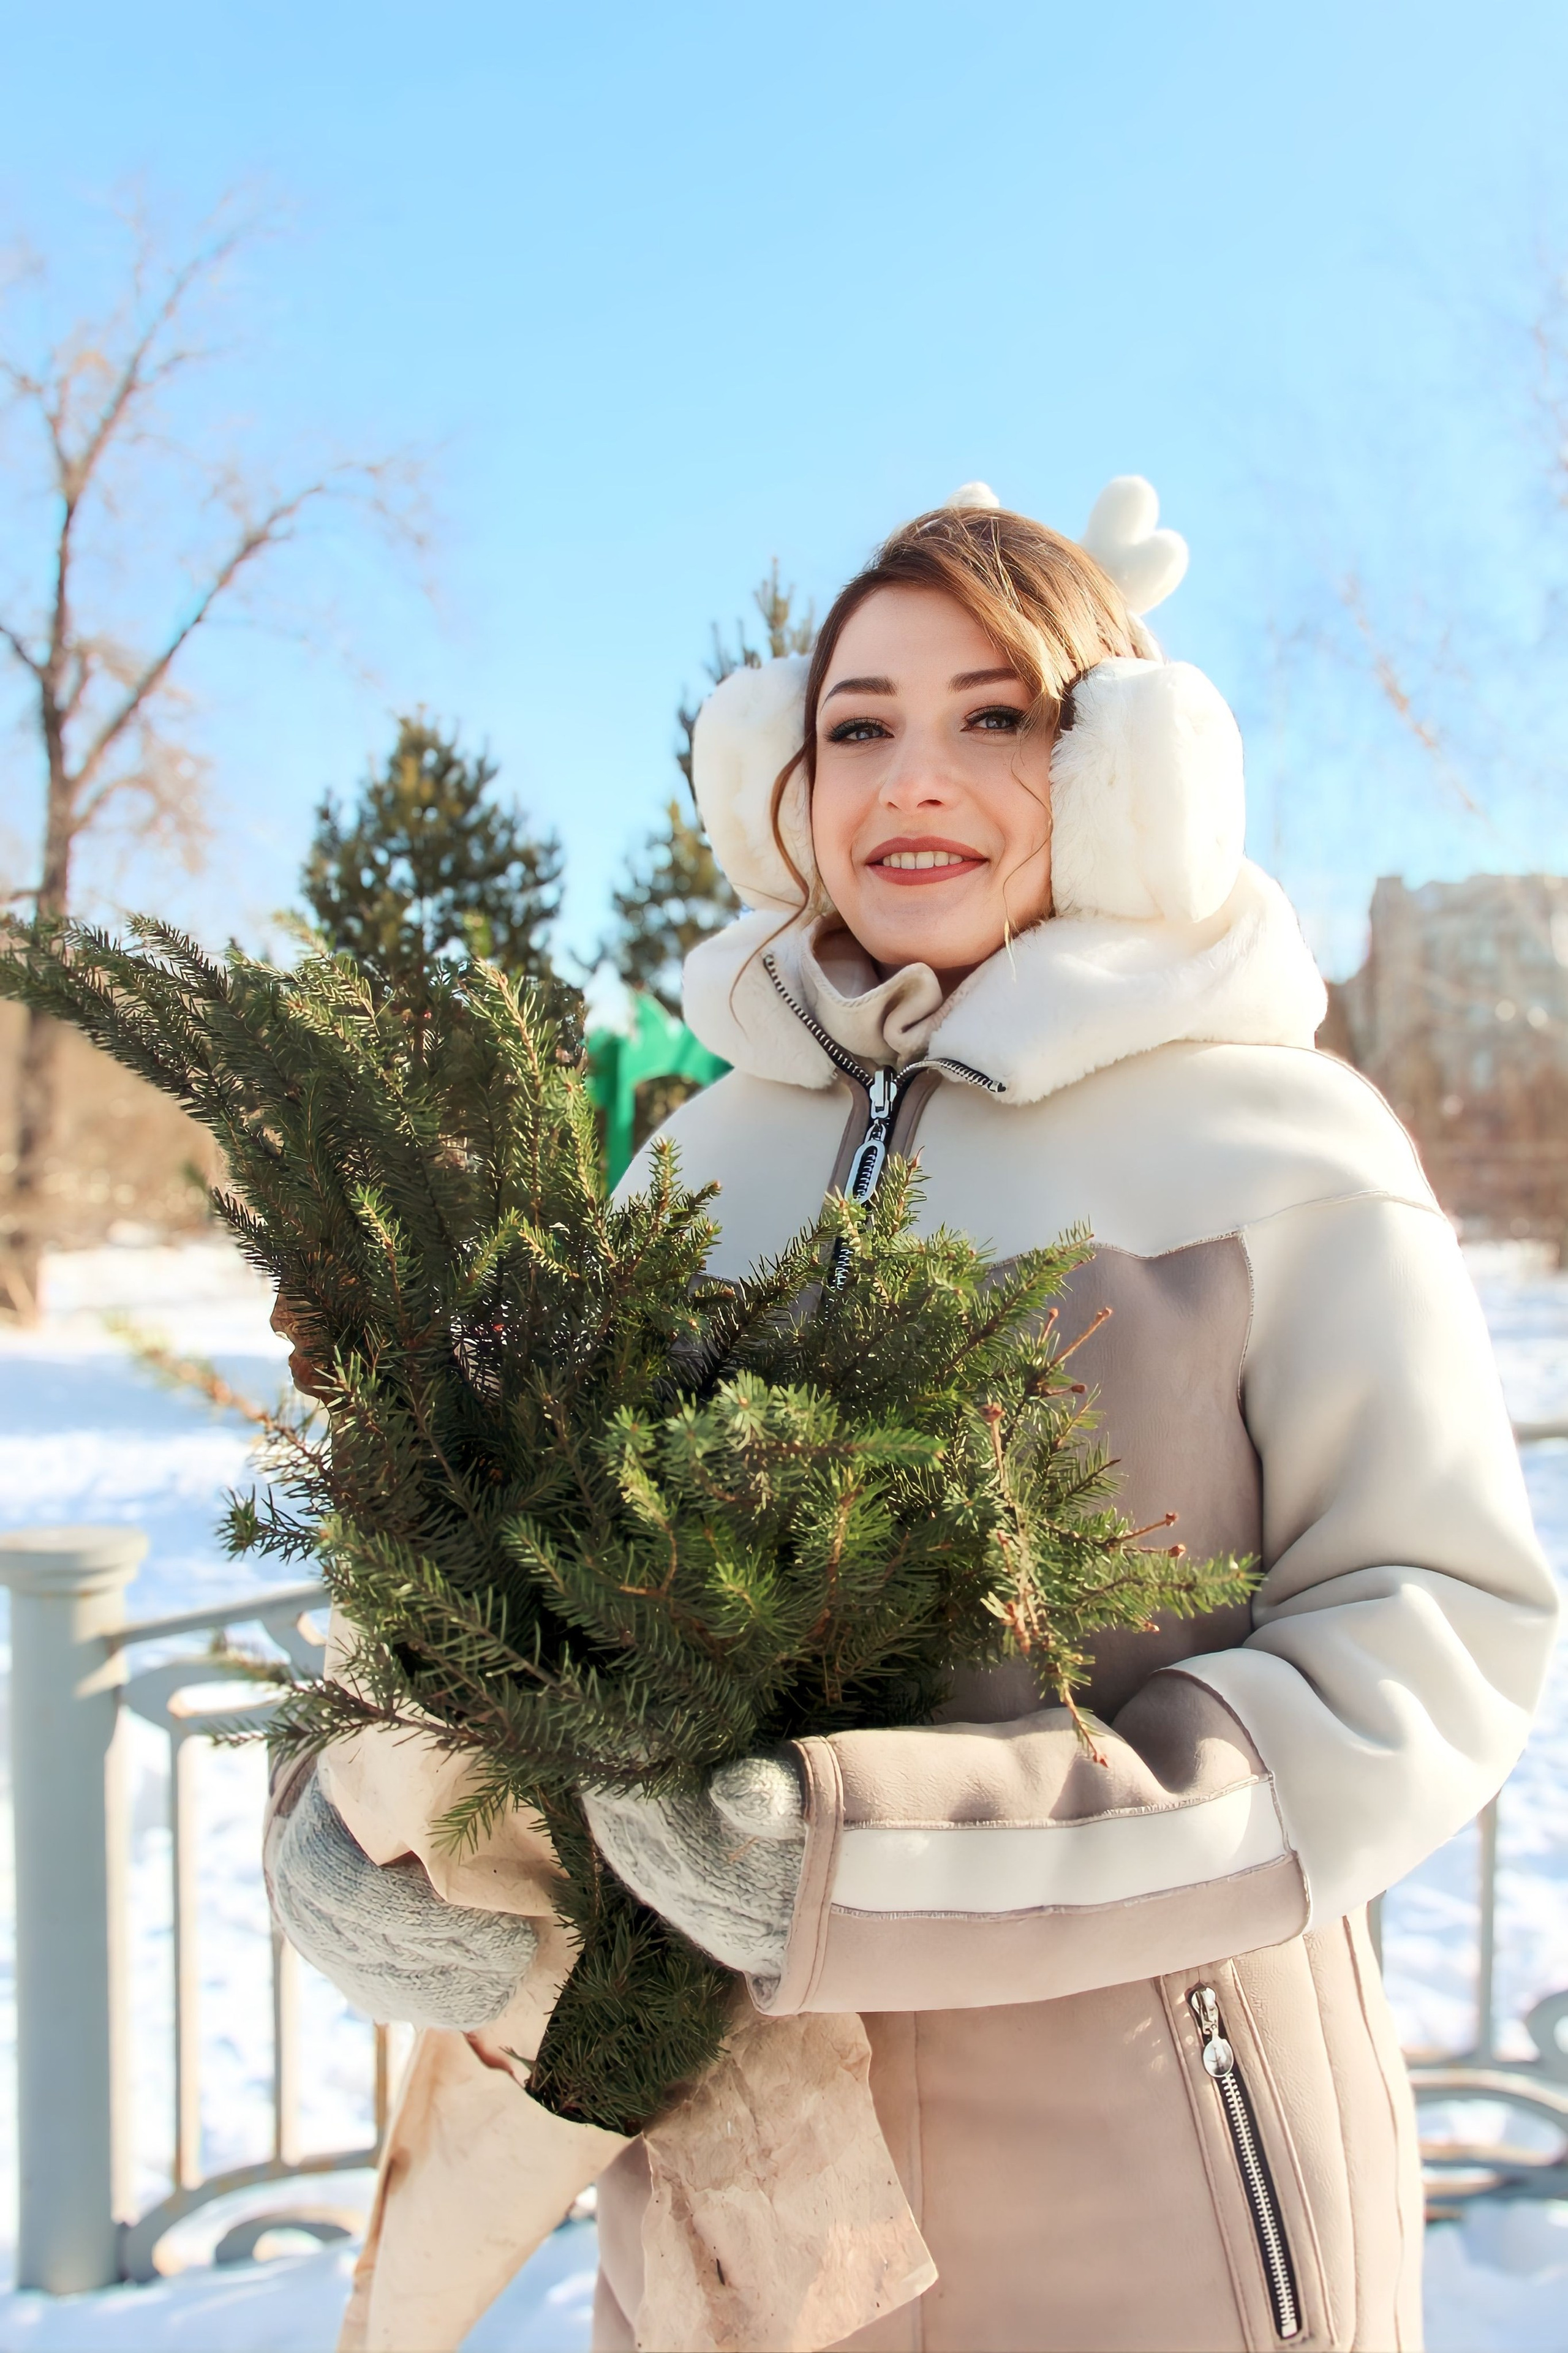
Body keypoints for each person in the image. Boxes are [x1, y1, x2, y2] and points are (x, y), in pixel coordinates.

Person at [267, 483, 1559, 2353]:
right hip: (745, 2232)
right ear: (781, 789)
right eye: (856, 725)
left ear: (1124, 769)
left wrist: (880, 1850)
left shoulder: (1278, 1145)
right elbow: (498, 1559)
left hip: (1161, 2202)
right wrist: (352, 1803)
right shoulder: (692, 1168)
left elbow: (1431, 1642)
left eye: (996, 716)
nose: (913, 776)